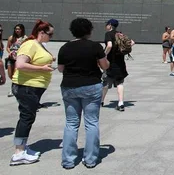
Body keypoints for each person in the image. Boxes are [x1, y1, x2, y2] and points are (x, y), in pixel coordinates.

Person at [57, 18, 110, 169]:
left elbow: (61, 69)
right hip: (91, 86)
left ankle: (68, 160)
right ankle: (90, 159)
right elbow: (104, 65)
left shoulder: (65, 48)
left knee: (71, 123)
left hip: (69, 86)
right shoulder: (95, 46)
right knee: (91, 122)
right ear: (89, 30)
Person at [10, 20, 55, 166]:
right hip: (26, 86)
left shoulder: (38, 44)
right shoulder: (30, 44)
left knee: (28, 116)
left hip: (32, 87)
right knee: (26, 117)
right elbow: (20, 64)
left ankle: (22, 147)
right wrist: (42, 68)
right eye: (50, 34)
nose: (51, 37)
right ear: (41, 33)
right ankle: (19, 153)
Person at [101, 19, 134, 111]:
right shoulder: (120, 34)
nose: (106, 26)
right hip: (120, 63)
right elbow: (132, 42)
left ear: (110, 25)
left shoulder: (108, 34)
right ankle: (121, 103)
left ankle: (101, 101)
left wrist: (104, 54)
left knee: (106, 82)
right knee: (120, 83)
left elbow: (110, 45)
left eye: (107, 24)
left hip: (110, 62)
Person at [6, 24, 27, 97]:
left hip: (18, 58)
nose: (17, 30)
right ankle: (17, 86)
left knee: (15, 74)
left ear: (22, 30)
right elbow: (8, 47)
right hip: (11, 58)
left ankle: (12, 89)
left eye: (19, 29)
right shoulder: (11, 38)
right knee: (10, 74)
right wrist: (10, 52)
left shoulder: (25, 39)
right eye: (16, 29)